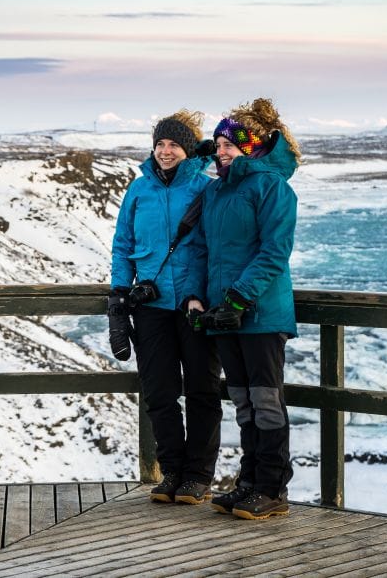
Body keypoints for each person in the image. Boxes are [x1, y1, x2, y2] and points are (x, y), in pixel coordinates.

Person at [186, 98, 300, 520]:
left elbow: (274, 252)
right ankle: (249, 482)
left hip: (259, 313)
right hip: (222, 314)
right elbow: (203, 249)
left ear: (251, 147)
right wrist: (198, 297)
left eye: (229, 145)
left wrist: (238, 298)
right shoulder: (215, 190)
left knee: (266, 400)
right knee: (243, 401)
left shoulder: (273, 188)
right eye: (216, 146)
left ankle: (272, 487)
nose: (221, 152)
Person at [109, 110, 222, 505]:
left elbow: (213, 248)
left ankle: (199, 476)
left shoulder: (206, 188)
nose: (165, 151)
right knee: (159, 390)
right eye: (159, 144)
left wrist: (200, 293)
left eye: (174, 144)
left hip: (194, 304)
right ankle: (172, 470)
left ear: (188, 150)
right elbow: (123, 245)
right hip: (151, 304)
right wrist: (119, 295)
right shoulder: (138, 191)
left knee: (202, 389)